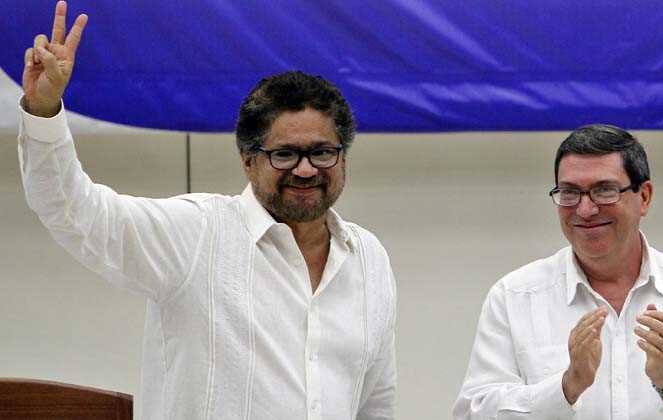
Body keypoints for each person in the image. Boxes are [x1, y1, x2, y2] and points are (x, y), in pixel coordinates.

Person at [18, 2, 396, 419]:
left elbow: (374, 402)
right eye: (285, 154)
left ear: (343, 157)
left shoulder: (369, 258)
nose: (306, 170)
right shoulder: (196, 234)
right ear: (248, 161)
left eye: (322, 152)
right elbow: (72, 211)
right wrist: (43, 112)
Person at [453, 124, 663, 419]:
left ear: (644, 197)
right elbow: (474, 412)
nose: (585, 210)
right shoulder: (514, 297)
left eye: (604, 191)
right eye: (569, 192)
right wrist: (566, 387)